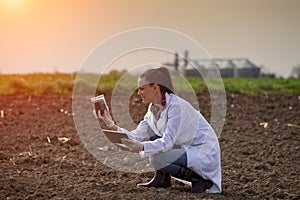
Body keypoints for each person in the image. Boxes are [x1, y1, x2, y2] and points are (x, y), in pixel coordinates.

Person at [94, 67, 222, 193]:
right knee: (154, 134)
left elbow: (167, 143)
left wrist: (142, 147)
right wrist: (111, 124)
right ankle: (162, 179)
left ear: (155, 87)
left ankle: (199, 180)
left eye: (142, 88)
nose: (138, 93)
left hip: (203, 150)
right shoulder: (153, 108)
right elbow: (137, 135)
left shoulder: (175, 106)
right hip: (186, 145)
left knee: (157, 159)